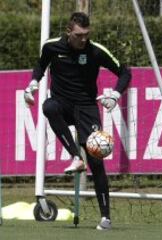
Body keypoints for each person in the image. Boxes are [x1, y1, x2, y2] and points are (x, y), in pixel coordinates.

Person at [24, 12, 131, 230]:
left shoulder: (96, 51)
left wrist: (115, 95)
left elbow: (125, 72)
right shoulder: (52, 47)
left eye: (86, 34)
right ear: (68, 32)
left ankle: (106, 218)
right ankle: (75, 156)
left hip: (87, 108)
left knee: (97, 161)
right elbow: (40, 66)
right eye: (79, 35)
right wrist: (33, 83)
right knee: (48, 107)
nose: (83, 39)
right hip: (62, 104)